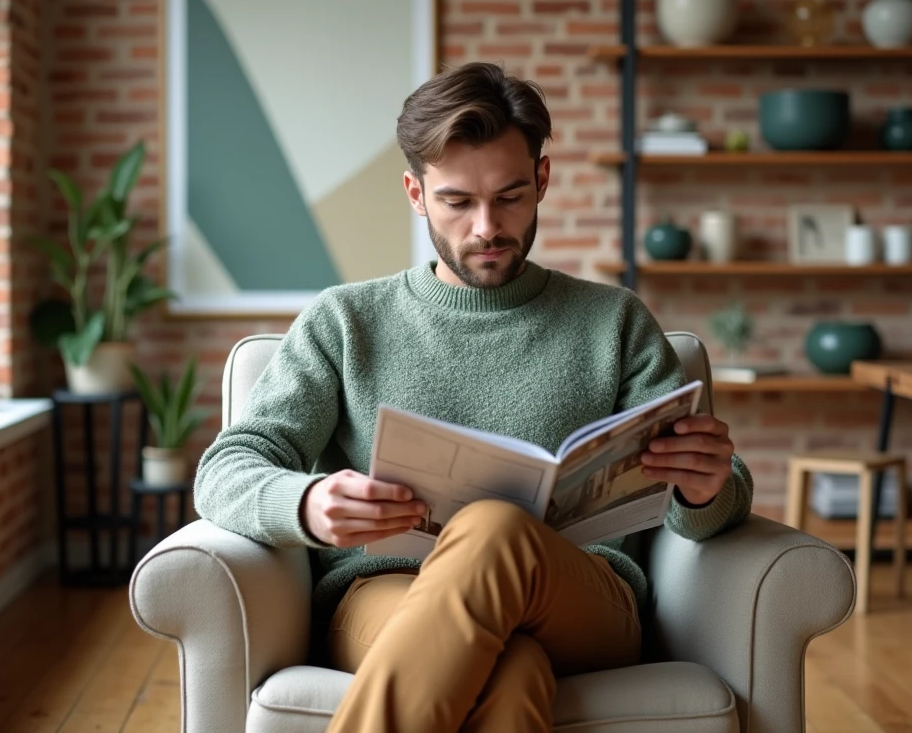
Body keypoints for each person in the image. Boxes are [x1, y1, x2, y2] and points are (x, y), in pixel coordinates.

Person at [193, 61, 754, 733]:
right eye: (457, 202)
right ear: (416, 193)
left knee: (494, 529)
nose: (487, 226)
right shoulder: (345, 321)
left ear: (542, 180)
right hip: (388, 593)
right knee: (510, 672)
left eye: (510, 196)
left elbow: (719, 497)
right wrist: (308, 503)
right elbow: (225, 469)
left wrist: (706, 488)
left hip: (580, 599)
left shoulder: (615, 321)